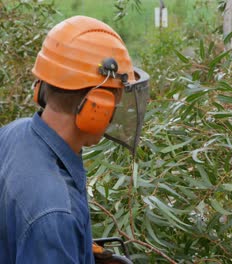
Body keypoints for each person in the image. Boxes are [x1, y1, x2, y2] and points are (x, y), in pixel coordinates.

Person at [0, 16, 149, 263]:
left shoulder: (13, 133)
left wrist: (76, 248)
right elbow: (45, 220)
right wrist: (59, 239)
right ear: (96, 106)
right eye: (116, 99)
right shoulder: (55, 213)